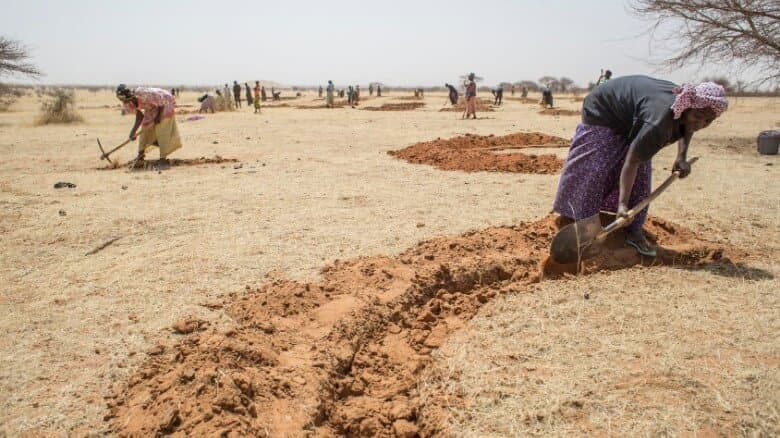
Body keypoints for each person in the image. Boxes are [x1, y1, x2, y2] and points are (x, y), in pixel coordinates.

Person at [553, 76, 727, 256]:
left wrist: (681, 157)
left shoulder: (685, 112)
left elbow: (688, 127)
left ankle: (632, 232)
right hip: (604, 108)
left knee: (641, 179)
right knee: (595, 169)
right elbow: (631, 162)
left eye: (708, 121)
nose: (700, 124)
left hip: (634, 115)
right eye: (697, 117)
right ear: (687, 106)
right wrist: (622, 204)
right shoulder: (659, 121)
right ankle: (576, 220)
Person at [115, 84, 182, 163]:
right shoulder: (128, 103)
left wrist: (158, 116)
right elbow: (140, 116)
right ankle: (140, 156)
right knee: (145, 129)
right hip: (152, 107)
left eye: (123, 99)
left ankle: (163, 158)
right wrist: (133, 132)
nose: (123, 102)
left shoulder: (143, 93)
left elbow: (161, 102)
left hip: (165, 101)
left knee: (161, 129)